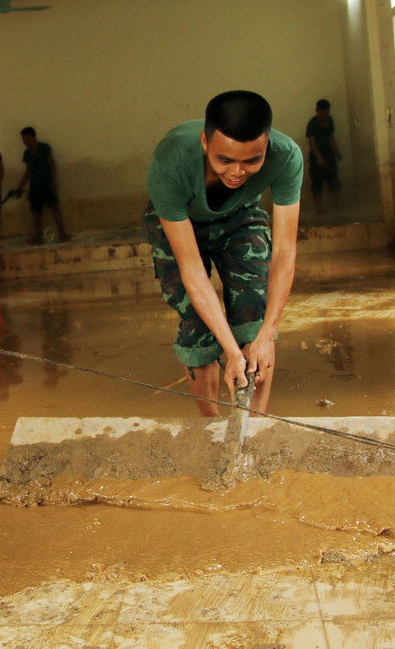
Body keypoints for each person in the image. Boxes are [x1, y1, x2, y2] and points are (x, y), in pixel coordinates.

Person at [143, 91, 303, 418]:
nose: (237, 172)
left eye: (252, 161)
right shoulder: (170, 163)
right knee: (198, 324)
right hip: (181, 221)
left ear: (267, 145)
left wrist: (267, 334)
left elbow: (285, 251)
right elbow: (191, 268)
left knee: (254, 319)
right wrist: (231, 351)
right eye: (225, 160)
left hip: (240, 217)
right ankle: (211, 429)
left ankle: (253, 430)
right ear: (205, 142)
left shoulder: (287, 157)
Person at [12, 126, 69, 244]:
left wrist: (53, 181)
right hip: (35, 186)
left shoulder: (44, 148)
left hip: (47, 184)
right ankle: (38, 236)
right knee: (36, 212)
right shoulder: (27, 153)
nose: (23, 141)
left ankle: (62, 233)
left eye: (24, 138)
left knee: (55, 208)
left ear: (31, 137)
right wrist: (19, 188)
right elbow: (27, 172)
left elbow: (51, 165)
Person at [305, 98, 342, 208]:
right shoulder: (312, 124)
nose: (324, 115)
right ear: (317, 110)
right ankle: (319, 210)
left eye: (326, 112)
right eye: (322, 112)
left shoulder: (330, 120)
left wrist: (336, 151)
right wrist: (319, 157)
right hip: (316, 157)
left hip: (329, 155)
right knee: (317, 184)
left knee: (334, 181)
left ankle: (337, 207)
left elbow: (331, 137)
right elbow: (312, 143)